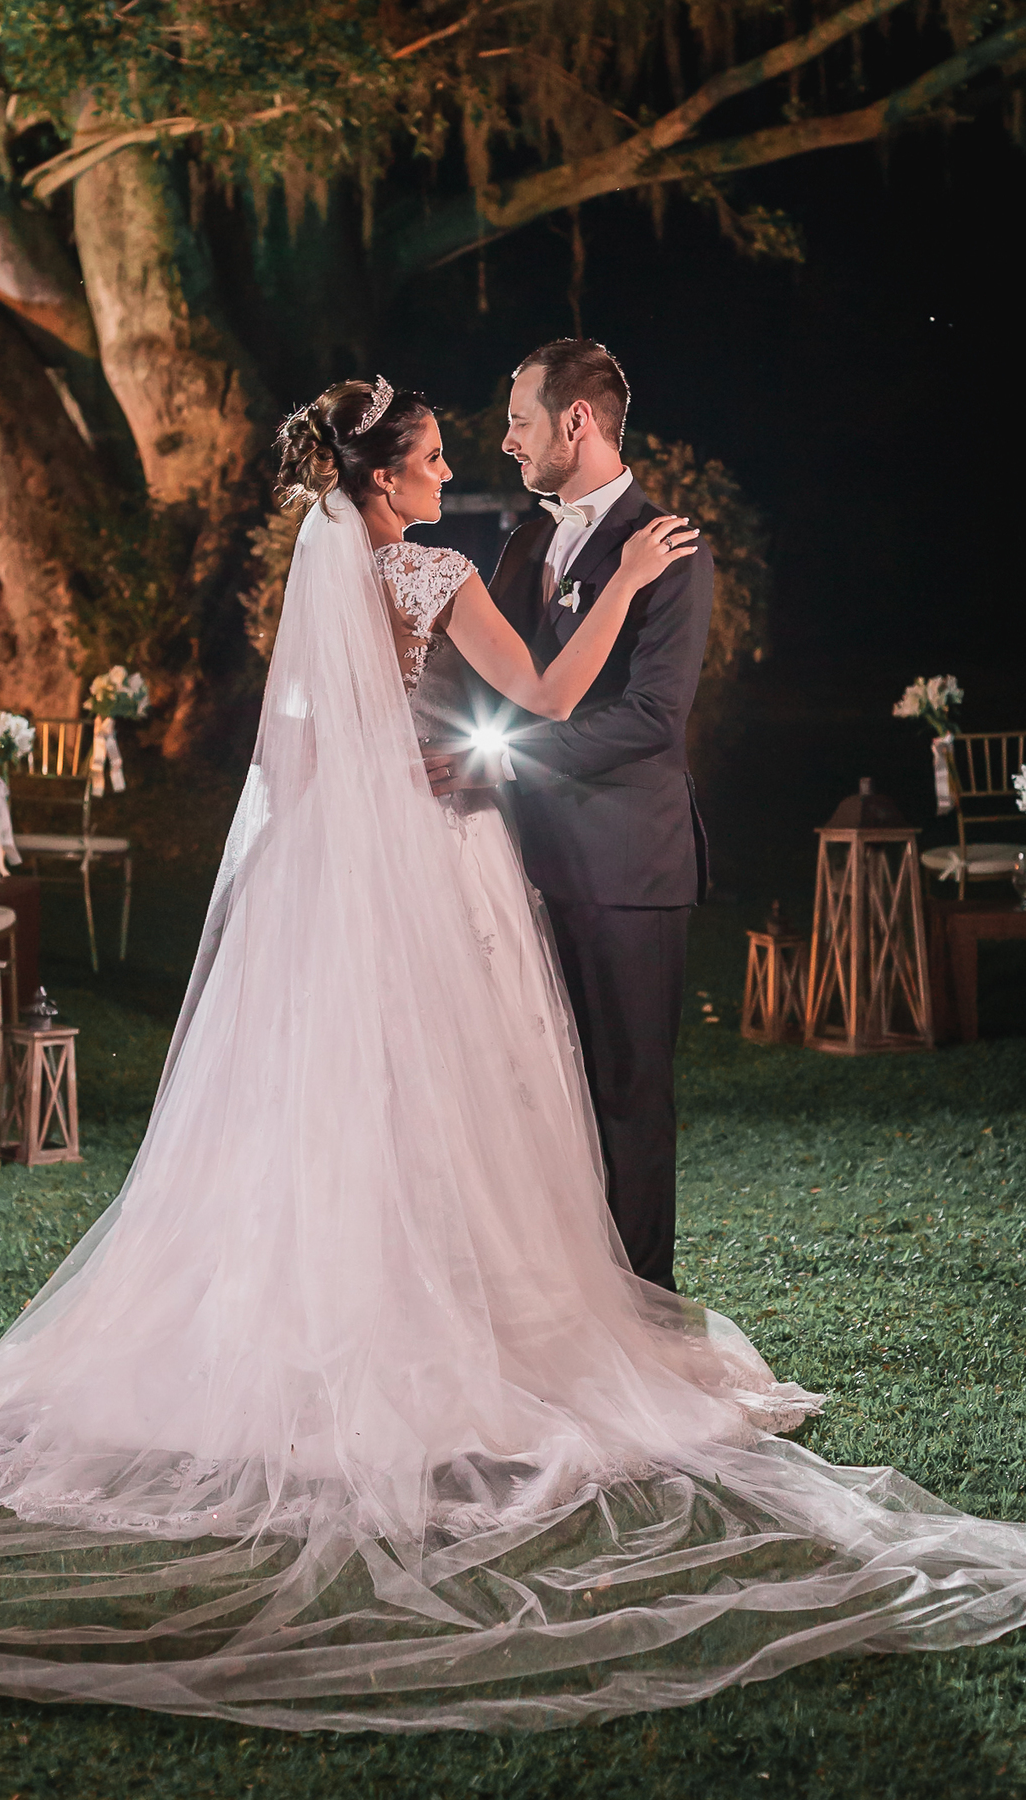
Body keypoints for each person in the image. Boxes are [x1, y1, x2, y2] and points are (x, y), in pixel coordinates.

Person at [0, 379, 1024, 1734]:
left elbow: (291, 754)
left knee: (338, 1106)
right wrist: (627, 577)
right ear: (384, 474)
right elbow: (559, 689)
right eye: (438, 454)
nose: (457, 470)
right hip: (442, 868)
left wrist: (392, 789)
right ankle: (479, 1328)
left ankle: (330, 1314)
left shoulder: (323, 578)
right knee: (468, 1100)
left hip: (330, 876)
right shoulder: (437, 571)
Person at [429, 338, 709, 1291]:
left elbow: (651, 717)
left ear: (575, 420)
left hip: (627, 868)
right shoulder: (523, 542)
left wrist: (495, 767)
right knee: (545, 1099)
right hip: (518, 869)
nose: (506, 440)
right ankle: (567, 1309)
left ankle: (646, 1318)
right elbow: (497, 681)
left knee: (628, 1099)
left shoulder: (667, 548)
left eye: (519, 419)